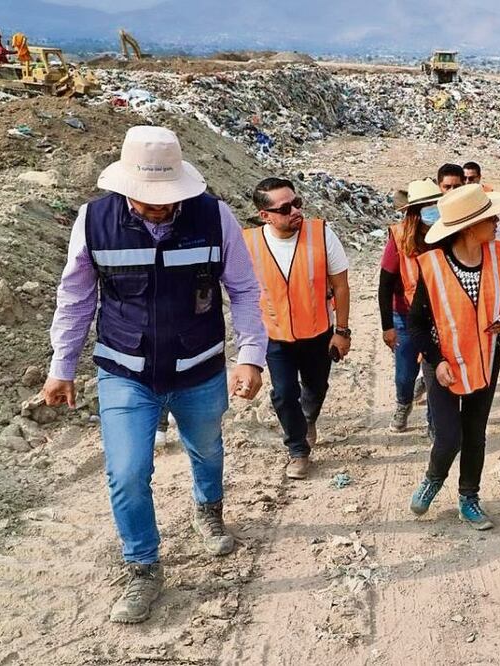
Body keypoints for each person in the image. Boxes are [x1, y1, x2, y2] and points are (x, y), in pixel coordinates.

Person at [43, 126, 267, 624]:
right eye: (148, 200)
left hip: (199, 369)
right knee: (125, 472)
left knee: (206, 448)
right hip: (125, 371)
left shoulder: (214, 217)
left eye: (167, 199)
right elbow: (77, 298)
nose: (159, 207)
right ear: (125, 189)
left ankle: (208, 508)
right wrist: (61, 368)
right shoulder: (94, 221)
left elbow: (245, 291)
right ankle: (143, 565)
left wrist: (250, 355)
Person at [406, 184, 500, 530]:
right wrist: (436, 360)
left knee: (475, 434)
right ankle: (433, 478)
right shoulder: (434, 265)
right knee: (449, 437)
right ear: (470, 227)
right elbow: (417, 322)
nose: (497, 221)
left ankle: (469, 498)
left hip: (484, 357)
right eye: (490, 217)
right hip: (445, 365)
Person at [244, 177, 352, 481]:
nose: (296, 211)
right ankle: (298, 450)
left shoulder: (321, 234)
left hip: (318, 332)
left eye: (297, 203)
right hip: (275, 335)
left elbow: (340, 287)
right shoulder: (249, 243)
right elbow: (242, 293)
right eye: (286, 207)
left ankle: (308, 419)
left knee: (316, 387)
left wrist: (342, 331)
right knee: (283, 393)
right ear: (265, 215)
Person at [380, 179, 442, 431]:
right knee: (405, 374)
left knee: (434, 370)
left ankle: (433, 422)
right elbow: (385, 284)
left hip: (438, 316)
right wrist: (387, 327)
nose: (433, 209)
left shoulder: (447, 233)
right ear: (414, 211)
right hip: (404, 317)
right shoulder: (399, 237)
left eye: (436, 204)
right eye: (427, 205)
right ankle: (403, 403)